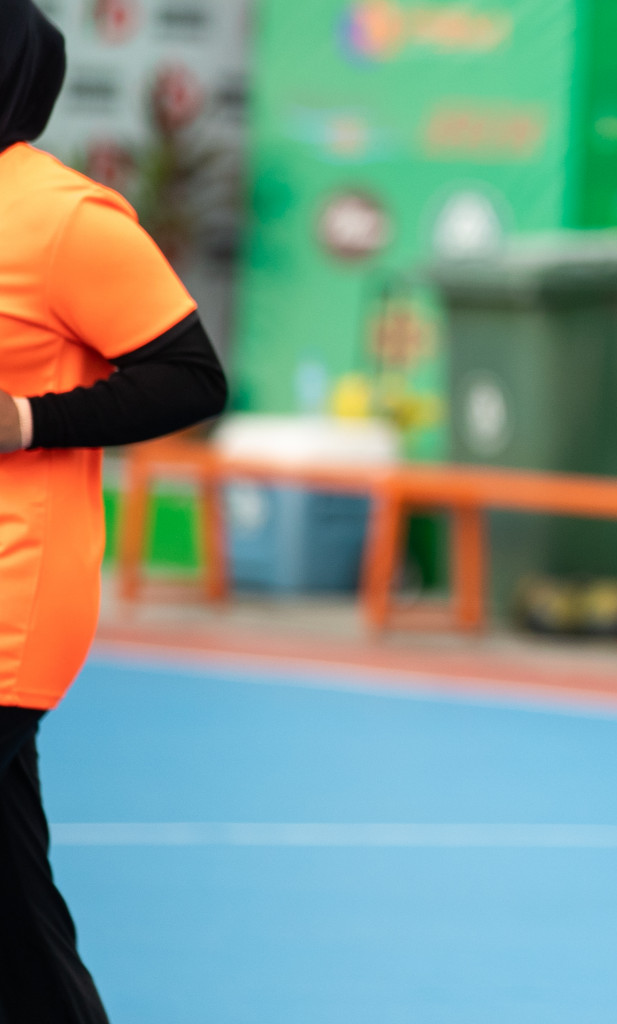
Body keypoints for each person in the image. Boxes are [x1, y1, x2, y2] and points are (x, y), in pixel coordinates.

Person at [1, 2, 228, 1019]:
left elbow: (190, 377)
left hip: (10, 600)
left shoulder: (63, 218)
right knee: (13, 908)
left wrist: (26, 416)